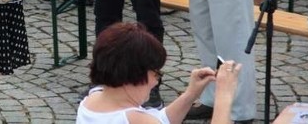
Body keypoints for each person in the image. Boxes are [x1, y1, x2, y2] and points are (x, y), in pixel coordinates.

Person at [77, 22, 241, 124]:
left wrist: (190, 94)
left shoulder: (92, 99)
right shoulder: (133, 119)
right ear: (136, 73)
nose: (156, 81)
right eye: (156, 73)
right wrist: (224, 96)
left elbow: (160, 121)